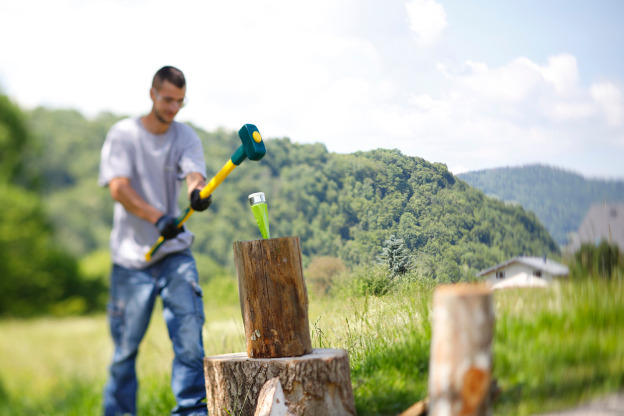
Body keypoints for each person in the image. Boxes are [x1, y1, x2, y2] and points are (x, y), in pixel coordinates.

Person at [98, 66, 212, 416]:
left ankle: (193, 413)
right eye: (167, 99)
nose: (174, 108)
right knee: (124, 353)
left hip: (174, 255)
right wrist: (157, 217)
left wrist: (197, 192)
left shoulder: (185, 135)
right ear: (152, 94)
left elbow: (194, 172)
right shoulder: (124, 134)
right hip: (131, 260)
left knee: (190, 343)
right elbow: (118, 187)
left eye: (180, 101)